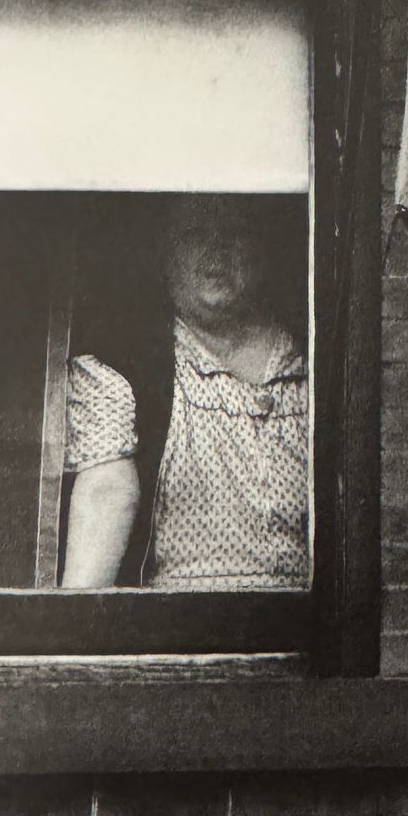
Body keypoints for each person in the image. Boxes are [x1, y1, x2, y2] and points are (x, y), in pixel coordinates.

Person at [58, 197, 309, 588]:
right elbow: (106, 493)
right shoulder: (127, 370)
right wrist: (75, 621)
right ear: (166, 252)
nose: (216, 248)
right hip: (181, 619)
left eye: (234, 231)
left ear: (261, 247)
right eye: (195, 233)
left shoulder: (311, 367)